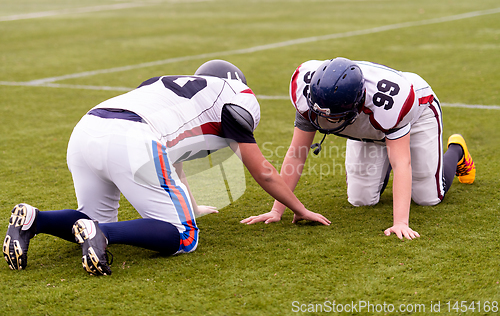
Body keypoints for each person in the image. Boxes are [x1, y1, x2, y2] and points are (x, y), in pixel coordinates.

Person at [3, 60, 330, 276]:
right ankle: (103, 235)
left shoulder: (165, 84)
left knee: (91, 217)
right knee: (183, 236)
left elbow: (175, 155)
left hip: (88, 128)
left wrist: (192, 203)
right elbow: (264, 171)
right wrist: (299, 208)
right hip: (133, 139)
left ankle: (35, 219)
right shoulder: (237, 97)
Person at [241, 57, 475, 240]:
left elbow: (402, 163)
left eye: (335, 117)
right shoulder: (307, 89)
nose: (327, 121)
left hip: (415, 111)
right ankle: (382, 159)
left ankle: (456, 151)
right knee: (361, 199)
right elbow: (296, 154)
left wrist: (400, 223)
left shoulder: (392, 103)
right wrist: (277, 210)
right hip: (368, 125)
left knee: (427, 197)